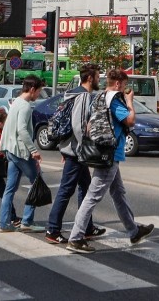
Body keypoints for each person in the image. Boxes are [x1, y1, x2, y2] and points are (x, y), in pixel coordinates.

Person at [65, 68, 154, 254]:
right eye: (125, 85)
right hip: (110, 154)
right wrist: (130, 102)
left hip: (103, 151)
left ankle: (134, 231)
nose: (125, 88)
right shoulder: (115, 100)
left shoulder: (98, 97)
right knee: (92, 196)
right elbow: (130, 121)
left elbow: (89, 124)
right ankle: (75, 237)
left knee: (118, 193)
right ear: (118, 84)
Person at [45, 64, 106, 244]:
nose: (99, 80)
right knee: (66, 190)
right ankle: (52, 229)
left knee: (85, 188)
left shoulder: (74, 93)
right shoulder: (83, 96)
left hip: (73, 150)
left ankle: (86, 227)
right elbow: (78, 126)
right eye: (97, 77)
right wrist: (85, 149)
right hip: (76, 152)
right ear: (89, 78)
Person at [0, 75, 46, 233]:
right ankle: (27, 221)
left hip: (11, 150)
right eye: (39, 91)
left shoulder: (16, 102)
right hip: (21, 152)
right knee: (36, 183)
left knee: (9, 189)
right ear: (32, 89)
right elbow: (22, 130)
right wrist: (34, 151)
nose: (38, 95)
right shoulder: (24, 106)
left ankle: (4, 222)